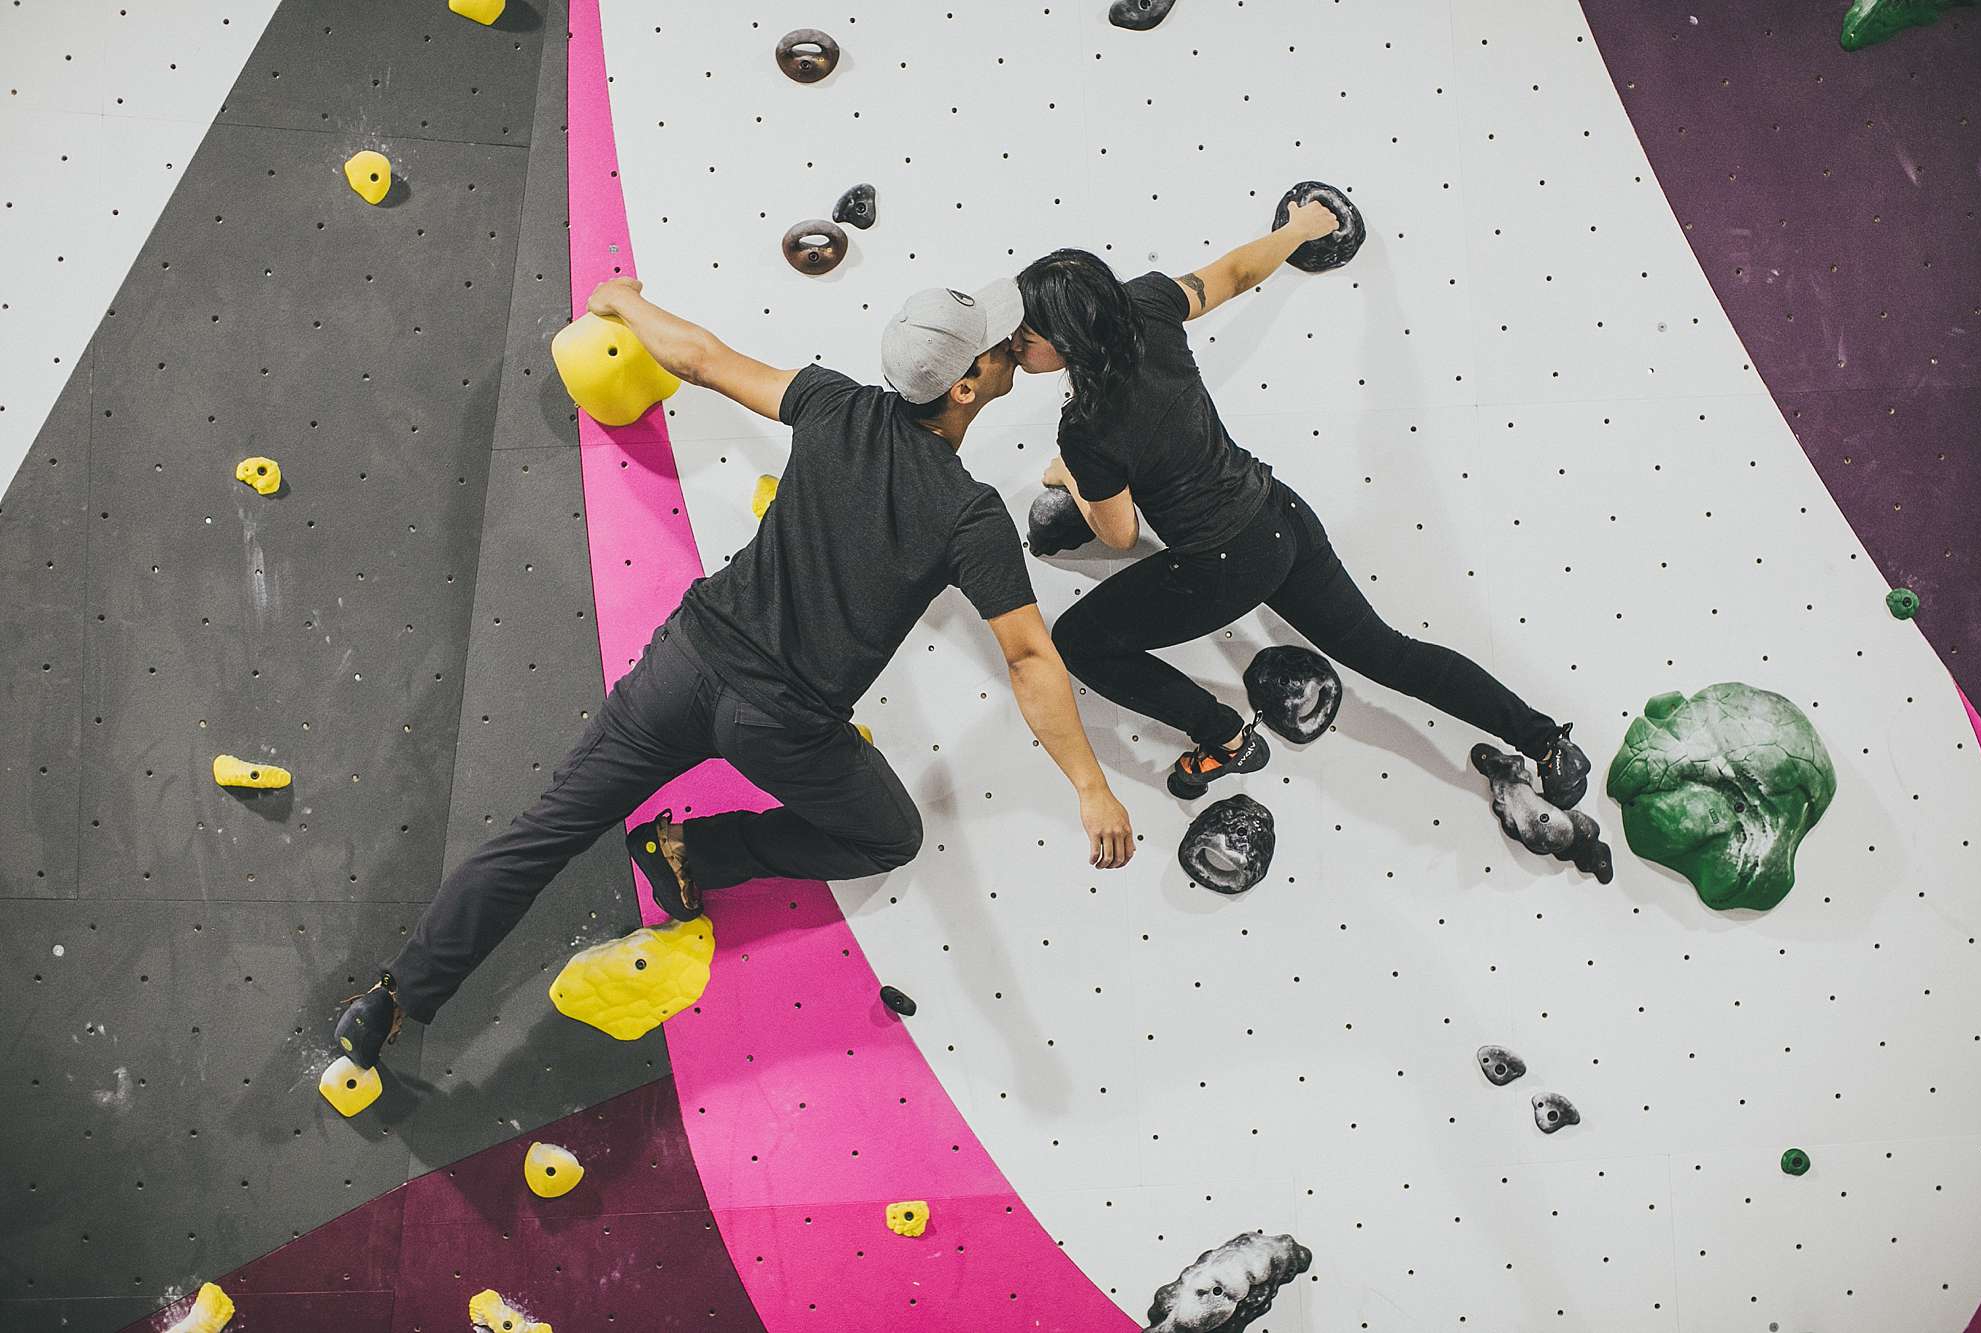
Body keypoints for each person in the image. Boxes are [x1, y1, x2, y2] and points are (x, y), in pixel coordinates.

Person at [333, 277, 1135, 1068]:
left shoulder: (834, 403)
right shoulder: (970, 512)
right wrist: (1090, 785)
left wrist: (623, 301)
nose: (1010, 355)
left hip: (686, 662)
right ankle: (696, 851)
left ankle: (394, 999)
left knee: (545, 832)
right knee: (890, 833)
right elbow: (1029, 657)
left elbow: (703, 359)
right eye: (1001, 351)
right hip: (780, 722)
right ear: (965, 387)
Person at [1009, 202, 1590, 806]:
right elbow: (1232, 274)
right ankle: (1548, 744)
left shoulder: (1087, 428)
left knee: (1079, 641)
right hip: (1280, 516)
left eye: (1028, 335)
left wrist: (1073, 477)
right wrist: (1302, 229)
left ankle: (1226, 739)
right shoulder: (1145, 307)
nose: (1018, 344)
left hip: (1222, 563)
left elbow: (1122, 532)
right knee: (1391, 654)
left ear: (1068, 337)